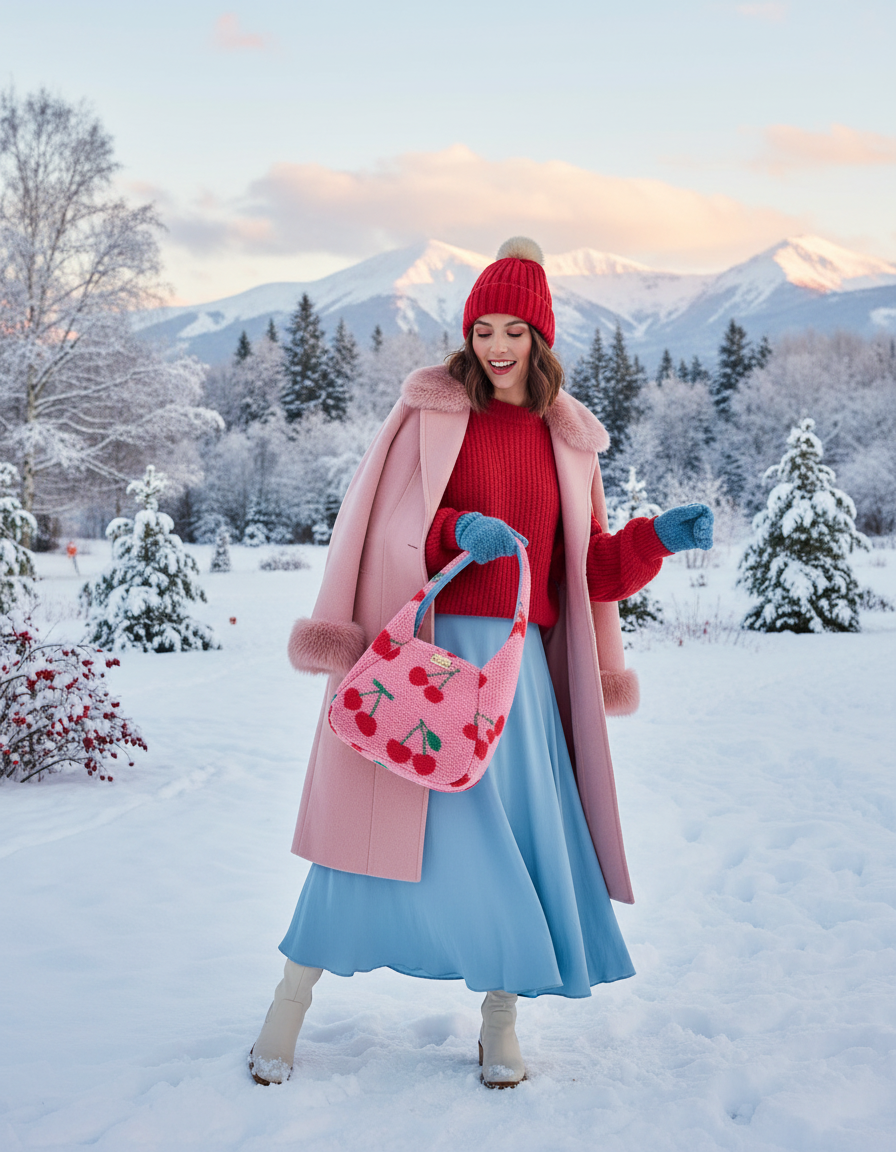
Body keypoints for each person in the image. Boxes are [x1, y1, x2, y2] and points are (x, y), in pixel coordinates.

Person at [248, 237, 714, 1089]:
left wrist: (655, 541)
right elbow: (391, 526)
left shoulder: (568, 440)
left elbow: (591, 571)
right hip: (423, 660)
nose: (498, 346)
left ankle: (499, 1019)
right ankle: (289, 1002)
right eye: (485, 328)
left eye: (516, 330)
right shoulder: (430, 413)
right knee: (366, 841)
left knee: (514, 847)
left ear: (542, 339)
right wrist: (456, 527)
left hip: (519, 672)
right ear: (468, 333)